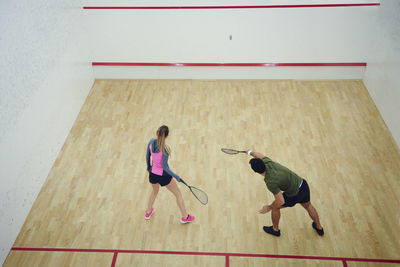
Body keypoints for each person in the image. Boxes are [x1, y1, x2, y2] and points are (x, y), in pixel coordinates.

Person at [247, 149, 324, 237]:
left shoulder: (271, 182)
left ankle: (275, 229)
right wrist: (250, 152)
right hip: (303, 185)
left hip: (294, 195)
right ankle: (319, 227)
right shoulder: (268, 162)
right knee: (308, 206)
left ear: (255, 171)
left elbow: (281, 201)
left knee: (275, 207)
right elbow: (258, 154)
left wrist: (269, 207)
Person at [145, 125, 195, 223]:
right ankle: (185, 217)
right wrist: (176, 177)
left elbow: (147, 156)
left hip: (153, 175)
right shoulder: (165, 149)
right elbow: (165, 167)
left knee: (154, 192)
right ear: (167, 136)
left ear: (157, 132)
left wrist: (148, 167)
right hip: (164, 177)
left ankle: (148, 212)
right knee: (178, 194)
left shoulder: (150, 142)